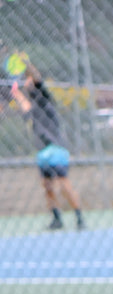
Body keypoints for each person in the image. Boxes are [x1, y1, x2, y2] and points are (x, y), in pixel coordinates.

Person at [10, 60, 84, 231]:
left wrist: (26, 65)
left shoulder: (44, 98)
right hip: (42, 150)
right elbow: (25, 106)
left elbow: (36, 77)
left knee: (63, 182)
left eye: (27, 80)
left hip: (56, 148)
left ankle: (79, 218)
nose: (26, 82)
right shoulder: (34, 107)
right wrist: (16, 93)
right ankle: (57, 218)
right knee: (47, 186)